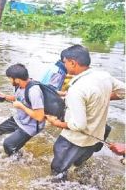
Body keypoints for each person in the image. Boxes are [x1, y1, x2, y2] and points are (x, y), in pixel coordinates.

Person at [45, 45, 125, 181]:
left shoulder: (77, 89)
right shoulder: (104, 76)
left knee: (57, 172)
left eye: (65, 62)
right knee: (78, 166)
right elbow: (123, 92)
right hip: (96, 137)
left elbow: (79, 125)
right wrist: (103, 97)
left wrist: (56, 122)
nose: (64, 65)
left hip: (74, 140)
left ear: (73, 63)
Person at [0, 63, 46, 156]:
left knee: (8, 144)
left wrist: (21, 106)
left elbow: (40, 117)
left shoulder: (34, 91)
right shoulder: (19, 85)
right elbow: (19, 97)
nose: (9, 80)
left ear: (17, 79)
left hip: (31, 126)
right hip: (19, 119)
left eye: (10, 78)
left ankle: (19, 161)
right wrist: (4, 96)